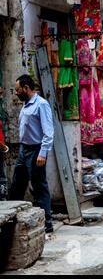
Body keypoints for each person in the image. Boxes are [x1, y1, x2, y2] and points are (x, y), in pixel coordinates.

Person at [9, 75, 54, 233]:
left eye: (18, 90)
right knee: (17, 184)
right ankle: (13, 219)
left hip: (36, 150)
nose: (16, 93)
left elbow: (48, 132)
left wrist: (43, 153)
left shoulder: (41, 104)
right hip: (24, 149)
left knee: (39, 186)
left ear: (26, 88)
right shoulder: (26, 104)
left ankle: (47, 223)